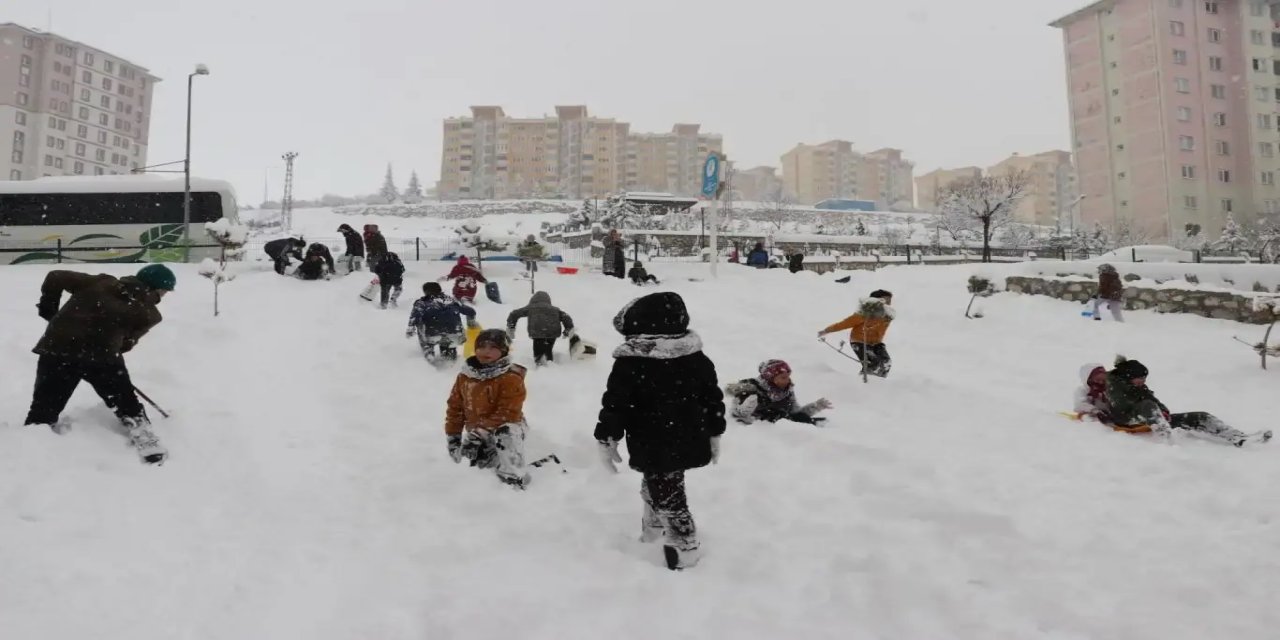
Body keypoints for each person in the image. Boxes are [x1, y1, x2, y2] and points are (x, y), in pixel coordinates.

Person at [595, 292, 726, 570]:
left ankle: (684, 544)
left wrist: (607, 435)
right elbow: (712, 399)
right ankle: (655, 525)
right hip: (688, 436)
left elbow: (616, 403)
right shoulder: (696, 358)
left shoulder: (632, 362)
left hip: (652, 439)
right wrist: (715, 430)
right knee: (664, 480)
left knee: (667, 489)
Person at [24, 264, 176, 464]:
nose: (164, 295)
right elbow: (127, 343)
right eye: (164, 291)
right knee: (125, 401)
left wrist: (49, 309)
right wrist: (108, 344)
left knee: (44, 409)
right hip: (101, 359)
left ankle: (30, 449)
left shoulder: (100, 282)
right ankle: (142, 433)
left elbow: (55, 276)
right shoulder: (150, 314)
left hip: (58, 350)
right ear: (156, 289)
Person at [1106, 357, 1266, 445]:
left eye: (1144, 378)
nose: (1143, 381)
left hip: (1150, 418)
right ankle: (1167, 441)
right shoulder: (1114, 387)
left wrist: (1163, 411)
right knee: (1147, 405)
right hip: (1127, 421)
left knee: (1199, 416)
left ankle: (1236, 436)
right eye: (1140, 378)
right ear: (1128, 376)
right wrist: (1149, 408)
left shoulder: (1136, 386)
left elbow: (1154, 401)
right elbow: (1123, 407)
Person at [445, 329, 531, 489]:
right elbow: (455, 408)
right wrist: (453, 436)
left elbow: (507, 413)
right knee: (476, 465)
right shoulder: (465, 377)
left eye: (493, 347)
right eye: (482, 347)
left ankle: (514, 476)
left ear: (503, 351)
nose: (486, 351)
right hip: (476, 433)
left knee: (506, 432)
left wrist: (479, 434)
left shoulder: (510, 377)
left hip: (508, 428)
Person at [726, 359, 832, 426]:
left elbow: (795, 414)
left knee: (821, 422)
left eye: (788, 376)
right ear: (771, 378)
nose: (787, 380)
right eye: (783, 377)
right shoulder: (751, 388)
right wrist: (743, 412)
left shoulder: (787, 391)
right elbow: (735, 417)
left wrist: (815, 407)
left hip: (786, 430)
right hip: (761, 434)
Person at [817, 289, 895, 378]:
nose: (889, 303)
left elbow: (880, 331)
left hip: (876, 343)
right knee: (873, 363)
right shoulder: (865, 313)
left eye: (890, 300)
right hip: (859, 342)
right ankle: (863, 381)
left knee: (886, 362)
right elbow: (845, 323)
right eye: (886, 299)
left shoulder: (887, 315)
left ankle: (879, 381)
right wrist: (827, 330)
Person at [407, 282, 476, 363]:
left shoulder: (421, 303)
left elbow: (415, 317)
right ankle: (450, 359)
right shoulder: (452, 300)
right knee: (449, 341)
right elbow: (471, 311)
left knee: (420, 324)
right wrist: (471, 323)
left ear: (425, 291)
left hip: (432, 334)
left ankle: (428, 350)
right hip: (454, 333)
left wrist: (410, 329)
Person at [506, 291, 574, 366]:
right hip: (552, 333)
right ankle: (549, 363)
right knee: (548, 348)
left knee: (538, 352)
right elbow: (566, 317)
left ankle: (541, 365)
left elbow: (514, 314)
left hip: (537, 333)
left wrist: (511, 327)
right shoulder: (555, 309)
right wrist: (568, 329)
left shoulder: (531, 307)